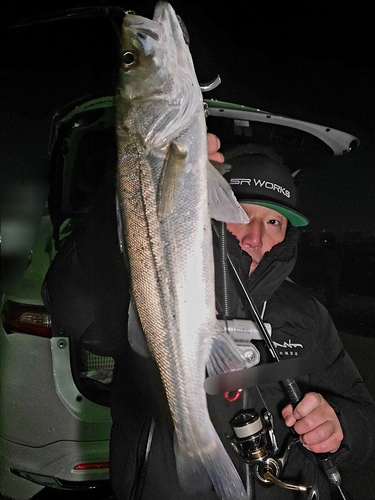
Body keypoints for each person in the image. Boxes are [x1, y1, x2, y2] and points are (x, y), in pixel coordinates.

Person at [42, 138, 375, 500]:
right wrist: (133, 191)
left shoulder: (307, 314)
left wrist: (342, 424)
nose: (256, 237)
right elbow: (72, 308)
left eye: (274, 221)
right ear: (208, 213)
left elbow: (363, 415)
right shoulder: (153, 284)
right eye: (242, 214)